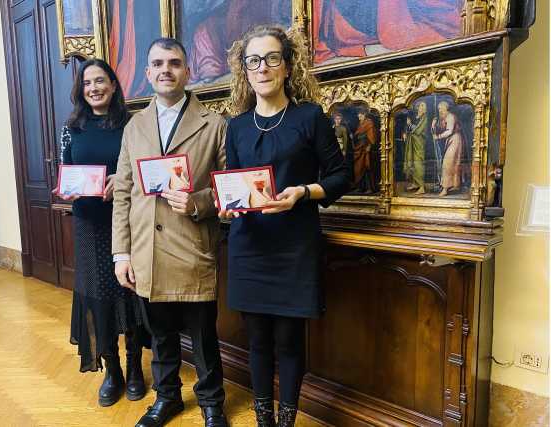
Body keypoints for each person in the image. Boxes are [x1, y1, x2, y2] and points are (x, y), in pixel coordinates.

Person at [221, 26, 352, 427]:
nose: (263, 68)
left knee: (289, 341)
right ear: (245, 70)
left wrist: (304, 192)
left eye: (272, 58)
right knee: (257, 341)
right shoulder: (237, 126)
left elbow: (340, 175)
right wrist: (228, 207)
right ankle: (264, 421)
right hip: (249, 245)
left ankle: (286, 421)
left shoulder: (309, 117)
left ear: (288, 65)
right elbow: (232, 182)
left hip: (294, 246)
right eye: (253, 61)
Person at [111, 38, 228, 427]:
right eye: (158, 63)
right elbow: (124, 193)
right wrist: (121, 254)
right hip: (145, 252)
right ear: (147, 73)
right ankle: (167, 398)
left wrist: (198, 202)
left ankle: (212, 404)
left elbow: (230, 188)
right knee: (159, 336)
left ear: (187, 71)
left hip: (193, 247)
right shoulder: (134, 127)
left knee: (203, 338)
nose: (166, 69)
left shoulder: (214, 125)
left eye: (174, 62)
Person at [56, 58, 149, 407]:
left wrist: (121, 180)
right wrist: (68, 188)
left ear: (113, 84)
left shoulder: (133, 124)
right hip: (90, 222)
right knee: (98, 298)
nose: (93, 88)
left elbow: (145, 170)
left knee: (131, 294)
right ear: (81, 91)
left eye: (100, 81)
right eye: (87, 83)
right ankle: (112, 370)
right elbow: (66, 170)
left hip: (128, 220)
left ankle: (136, 368)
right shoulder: (72, 126)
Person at [431, 101, 464, 196]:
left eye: (441, 109)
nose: (439, 111)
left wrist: (438, 136)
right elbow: (435, 131)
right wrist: (433, 125)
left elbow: (449, 131)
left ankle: (445, 189)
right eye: (439, 109)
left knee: (447, 163)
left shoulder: (450, 117)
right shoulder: (442, 118)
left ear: (446, 108)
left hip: (455, 140)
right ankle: (454, 185)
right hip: (450, 141)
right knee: (453, 163)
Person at [402, 101, 428, 195]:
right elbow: (408, 128)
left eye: (423, 106)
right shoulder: (415, 117)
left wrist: (409, 125)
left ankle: (421, 187)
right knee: (411, 162)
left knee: (418, 164)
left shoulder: (425, 118)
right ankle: (415, 183)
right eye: (420, 106)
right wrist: (405, 132)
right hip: (411, 142)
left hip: (419, 144)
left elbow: (418, 131)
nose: (421, 108)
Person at [353, 107, 377, 193]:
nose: (359, 117)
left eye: (360, 116)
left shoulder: (369, 123)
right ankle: (360, 187)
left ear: (364, 115)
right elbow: (358, 135)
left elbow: (371, 136)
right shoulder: (360, 124)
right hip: (360, 147)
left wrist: (369, 146)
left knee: (367, 167)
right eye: (358, 116)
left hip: (366, 148)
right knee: (359, 167)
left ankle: (370, 188)